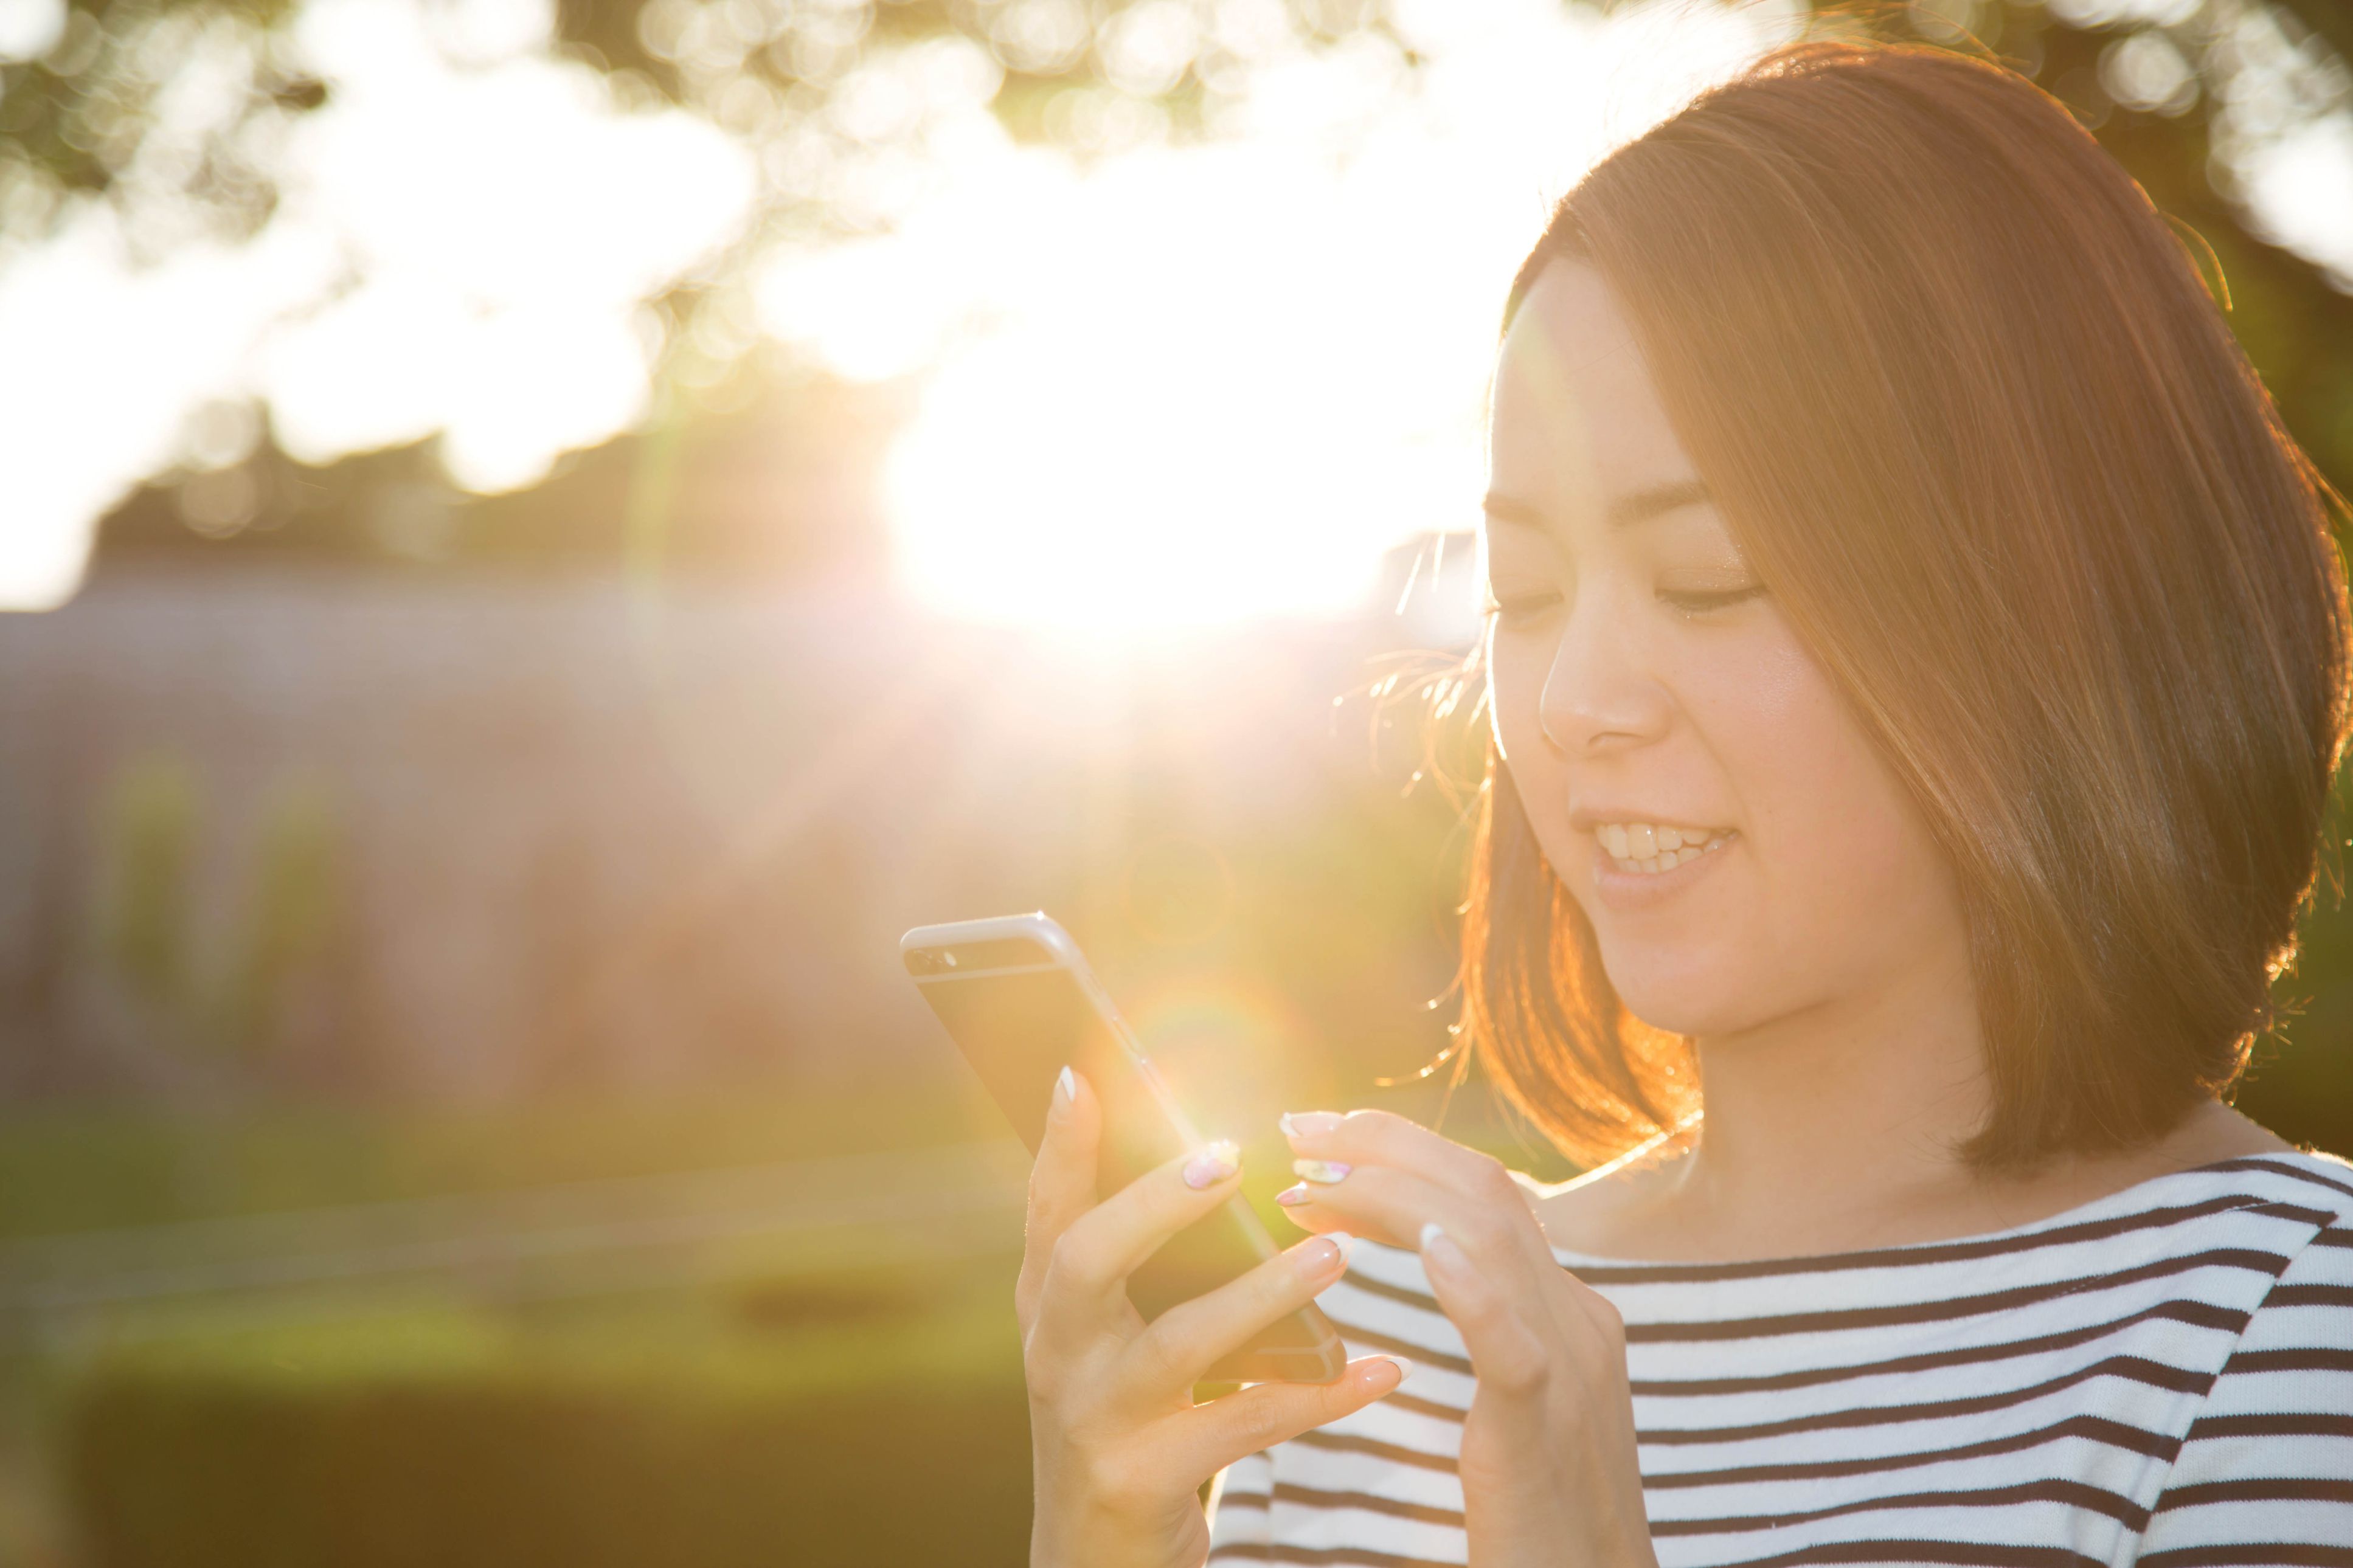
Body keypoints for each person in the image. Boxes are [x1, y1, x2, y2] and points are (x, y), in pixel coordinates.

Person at [1014, 38, 2353, 1568]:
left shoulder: (2286, 1327)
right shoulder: (1383, 1341)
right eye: (1524, 590)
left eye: (1709, 580)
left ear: (2046, 612)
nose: (1577, 700)